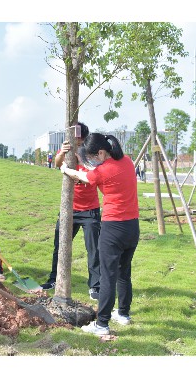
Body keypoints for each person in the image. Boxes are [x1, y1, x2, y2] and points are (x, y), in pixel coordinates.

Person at [60, 133, 139, 336]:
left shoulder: (103, 171)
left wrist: (66, 169)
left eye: (92, 157)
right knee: (124, 272)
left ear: (101, 152)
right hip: (133, 227)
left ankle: (102, 324)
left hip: (113, 228)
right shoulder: (128, 161)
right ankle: (123, 314)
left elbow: (83, 176)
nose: (91, 160)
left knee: (107, 276)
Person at [40, 122, 101, 301]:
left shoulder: (91, 153)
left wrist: (80, 161)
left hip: (90, 210)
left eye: (80, 141)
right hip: (69, 209)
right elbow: (57, 165)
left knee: (94, 249)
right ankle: (54, 279)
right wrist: (62, 152)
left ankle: (95, 286)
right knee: (60, 245)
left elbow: (92, 173)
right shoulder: (67, 150)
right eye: (75, 140)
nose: (77, 143)